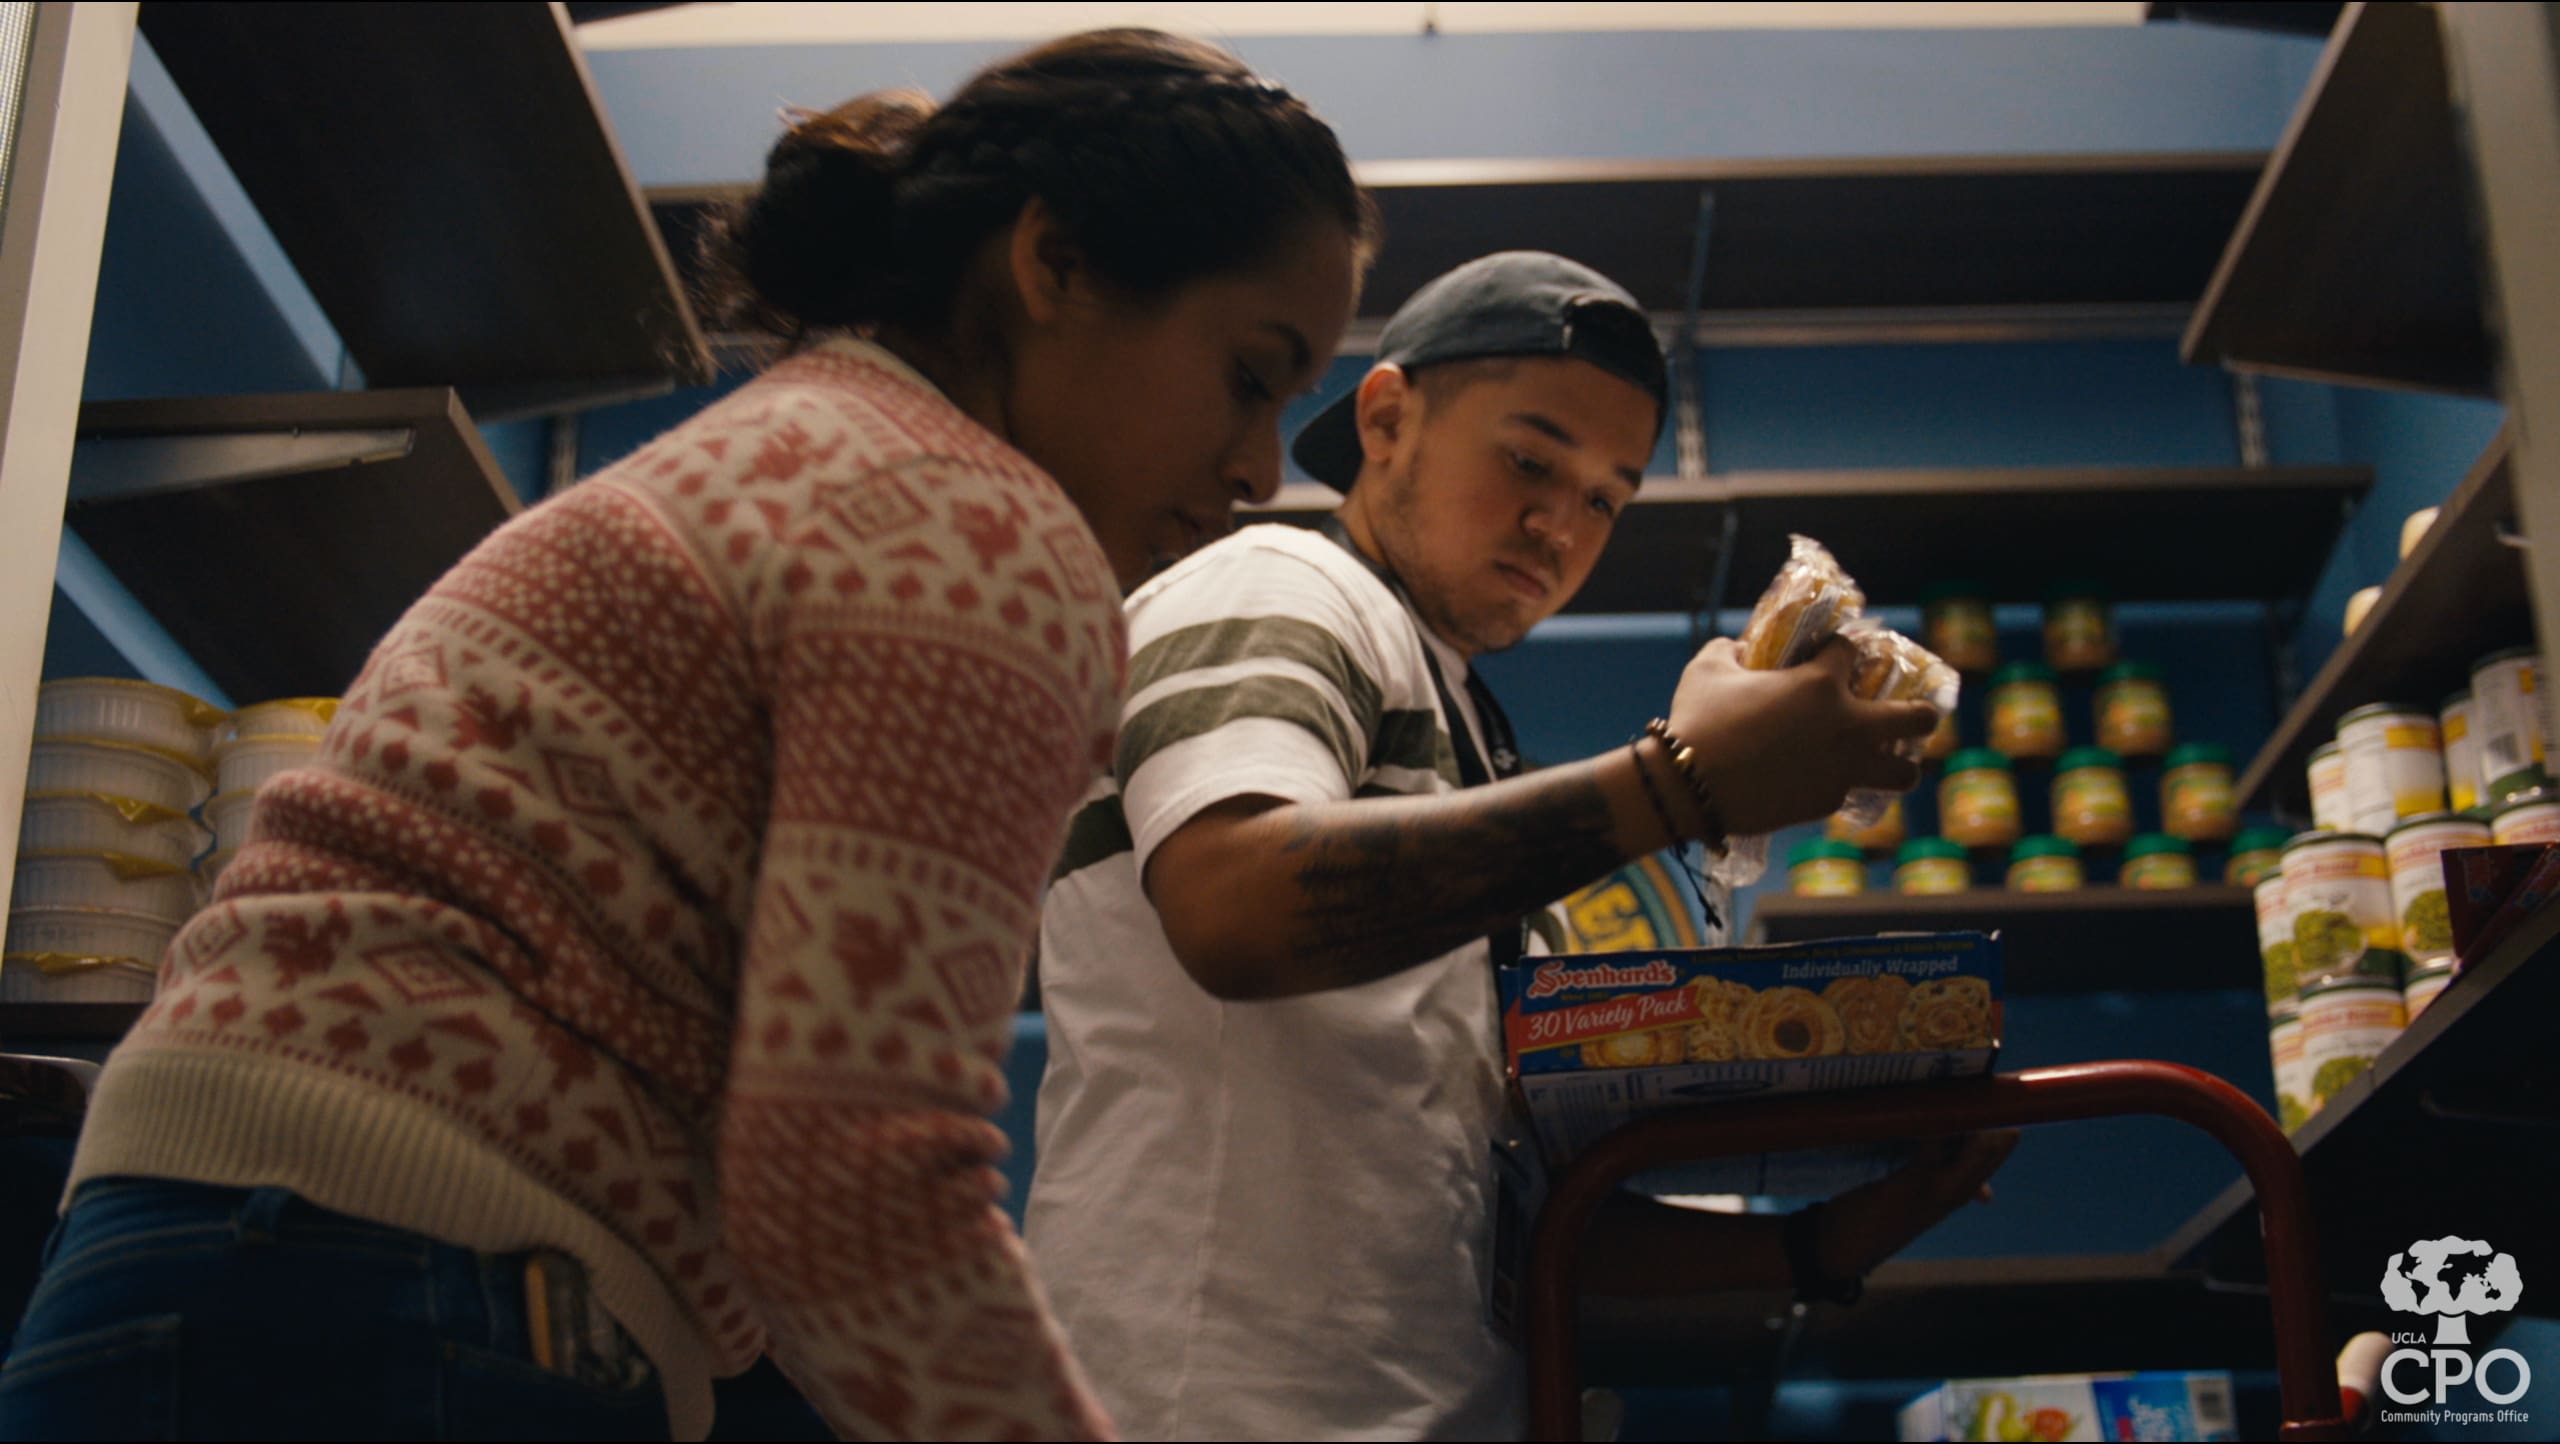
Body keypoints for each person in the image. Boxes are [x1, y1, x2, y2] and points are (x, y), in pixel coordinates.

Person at [0, 29, 1373, 1443]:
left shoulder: (786, 448)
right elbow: (853, 1191)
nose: (1259, 468)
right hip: (414, 1298)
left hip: (160, 1259)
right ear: (1055, 267)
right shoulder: (978, 529)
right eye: (1250, 377)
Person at [1027, 251, 2019, 1440]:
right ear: (1387, 418)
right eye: (1527, 460)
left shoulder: (1466, 739)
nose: (1559, 522)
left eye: (1606, 495)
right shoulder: (1282, 584)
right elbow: (1233, 906)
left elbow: (1516, 1214)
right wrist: (1679, 783)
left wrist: (1827, 1240)